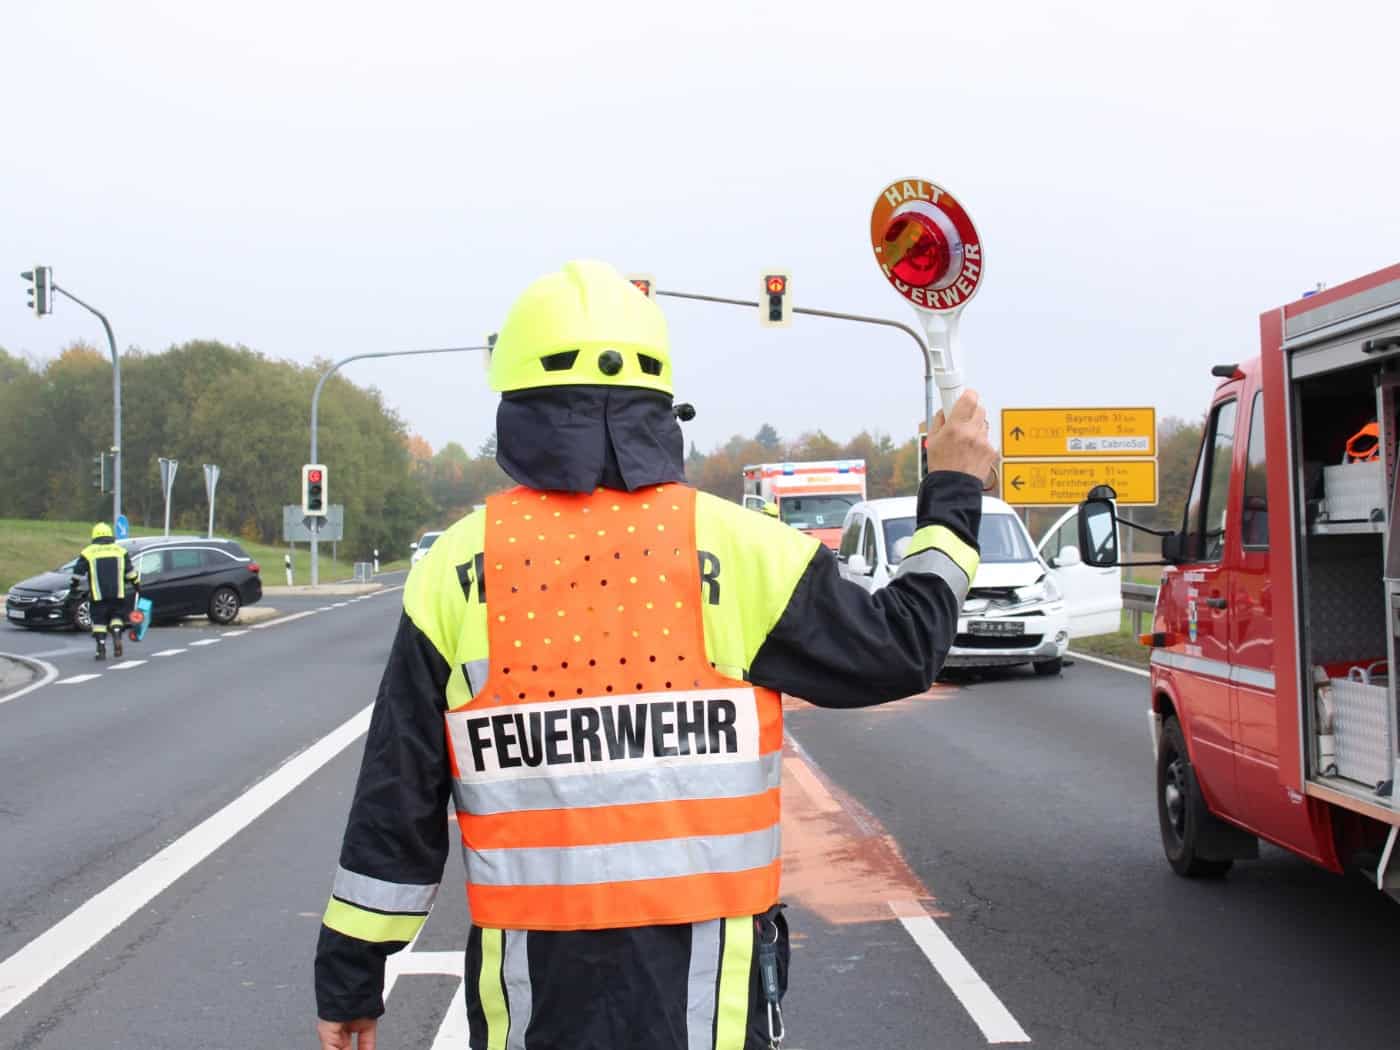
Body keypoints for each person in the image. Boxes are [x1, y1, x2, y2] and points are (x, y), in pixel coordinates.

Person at [314, 260, 998, 1050]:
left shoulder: (459, 567)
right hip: (704, 1006)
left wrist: (351, 981)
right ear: (661, 405)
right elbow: (906, 643)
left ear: (516, 403)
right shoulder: (741, 550)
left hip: (533, 1007)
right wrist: (952, 489)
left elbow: (396, 803)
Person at [71, 521, 139, 661]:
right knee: (117, 616)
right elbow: (130, 573)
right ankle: (116, 632)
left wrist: (74, 587)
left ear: (94, 535)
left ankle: (101, 648)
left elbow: (77, 573)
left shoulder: (88, 552)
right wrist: (137, 585)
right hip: (118, 593)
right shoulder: (120, 551)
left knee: (99, 621)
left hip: (98, 595)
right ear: (110, 534)